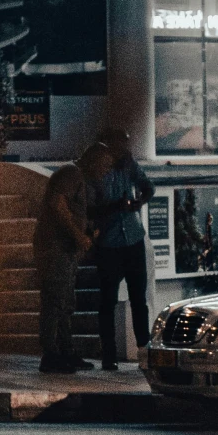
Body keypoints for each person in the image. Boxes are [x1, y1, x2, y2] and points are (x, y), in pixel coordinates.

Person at [85, 130, 157, 372]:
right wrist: (114, 207)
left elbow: (149, 187)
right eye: (121, 144)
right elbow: (90, 210)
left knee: (139, 299)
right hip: (109, 243)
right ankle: (109, 355)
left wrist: (140, 202)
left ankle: (144, 351)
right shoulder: (96, 171)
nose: (125, 148)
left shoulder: (129, 166)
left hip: (134, 238)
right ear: (109, 145)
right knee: (108, 301)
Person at [35, 142, 110, 373]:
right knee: (56, 302)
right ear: (94, 160)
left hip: (64, 250)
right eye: (104, 165)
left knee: (66, 303)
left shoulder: (78, 177)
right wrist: (79, 236)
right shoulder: (71, 173)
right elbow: (58, 204)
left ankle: (66, 352)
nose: (105, 171)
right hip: (55, 248)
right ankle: (51, 354)